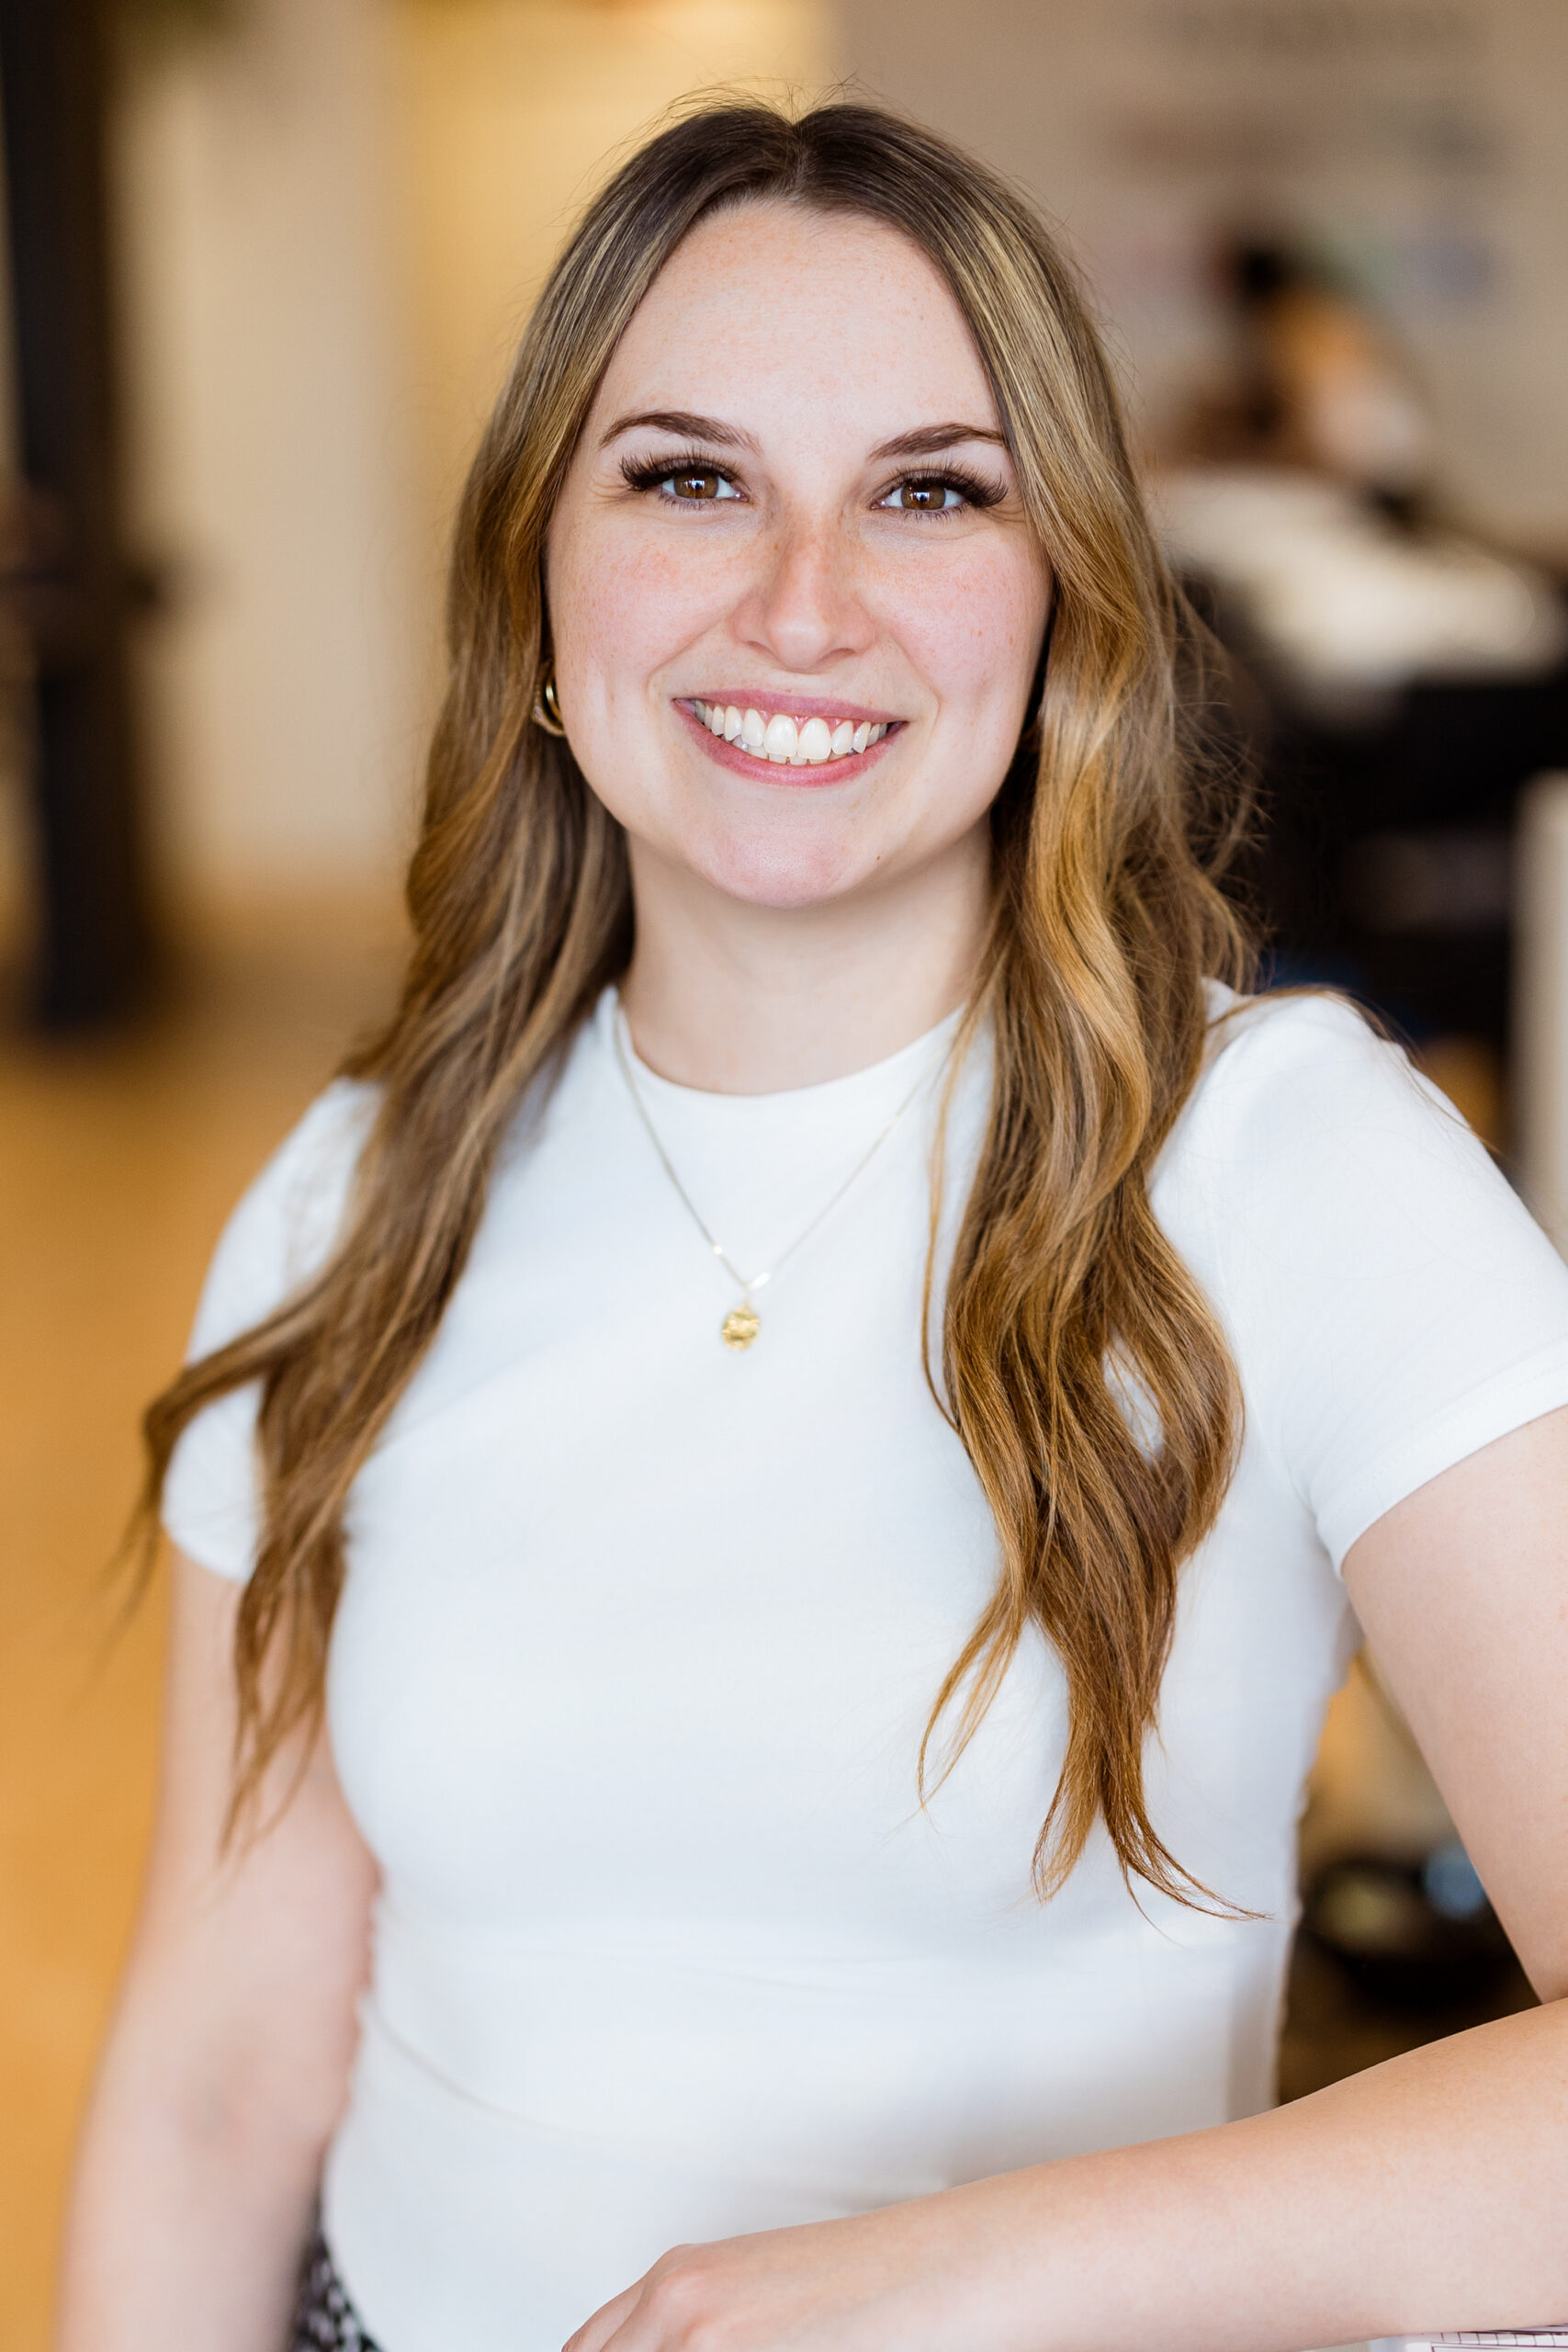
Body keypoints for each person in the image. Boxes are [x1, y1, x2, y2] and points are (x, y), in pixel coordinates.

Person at [57, 101, 1568, 2352]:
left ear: (1057, 601)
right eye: (686, 478)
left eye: (928, 490)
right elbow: (214, 2075)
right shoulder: (357, 1192)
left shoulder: (1289, 1169)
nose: (800, 601)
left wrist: (940, 2275)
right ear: (540, 589)